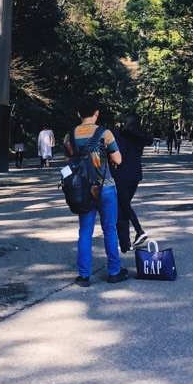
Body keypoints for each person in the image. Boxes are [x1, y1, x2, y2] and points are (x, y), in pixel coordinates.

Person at [65, 97, 128, 286]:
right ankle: (114, 272)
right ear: (96, 113)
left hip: (83, 189)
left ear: (78, 114)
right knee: (109, 229)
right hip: (105, 187)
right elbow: (118, 160)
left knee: (85, 232)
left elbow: (69, 161)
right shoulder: (105, 134)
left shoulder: (70, 135)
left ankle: (84, 276)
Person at [113, 113, 151, 253]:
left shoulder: (122, 137)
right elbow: (149, 139)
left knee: (123, 206)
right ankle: (125, 243)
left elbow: (119, 157)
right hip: (136, 175)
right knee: (123, 208)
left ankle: (139, 230)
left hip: (123, 175)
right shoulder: (139, 137)